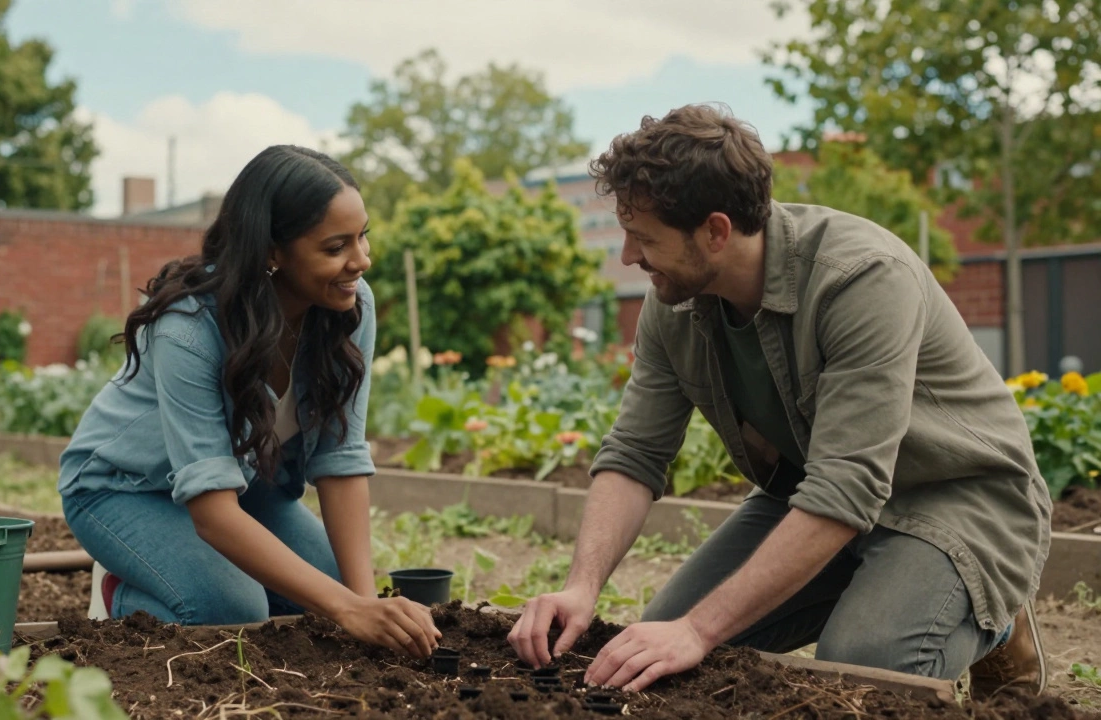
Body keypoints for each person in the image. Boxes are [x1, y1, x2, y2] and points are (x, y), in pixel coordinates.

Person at [507, 105, 1051, 696]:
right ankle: (881, 585)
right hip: (817, 500)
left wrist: (700, 628)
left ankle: (994, 614)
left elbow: (848, 487)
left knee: (861, 671)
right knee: (661, 647)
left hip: (957, 499)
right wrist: (582, 587)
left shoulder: (862, 279)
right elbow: (636, 453)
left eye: (644, 239)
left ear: (715, 231)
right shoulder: (672, 306)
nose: (629, 259)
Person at [58, 145, 440, 658]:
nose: (361, 260)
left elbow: (340, 460)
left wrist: (362, 605)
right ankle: (123, 594)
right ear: (271, 252)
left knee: (330, 591)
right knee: (233, 608)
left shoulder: (351, 306)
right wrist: (348, 609)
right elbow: (212, 512)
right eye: (335, 247)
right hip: (122, 488)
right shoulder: (190, 328)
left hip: (246, 486)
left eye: (363, 236)